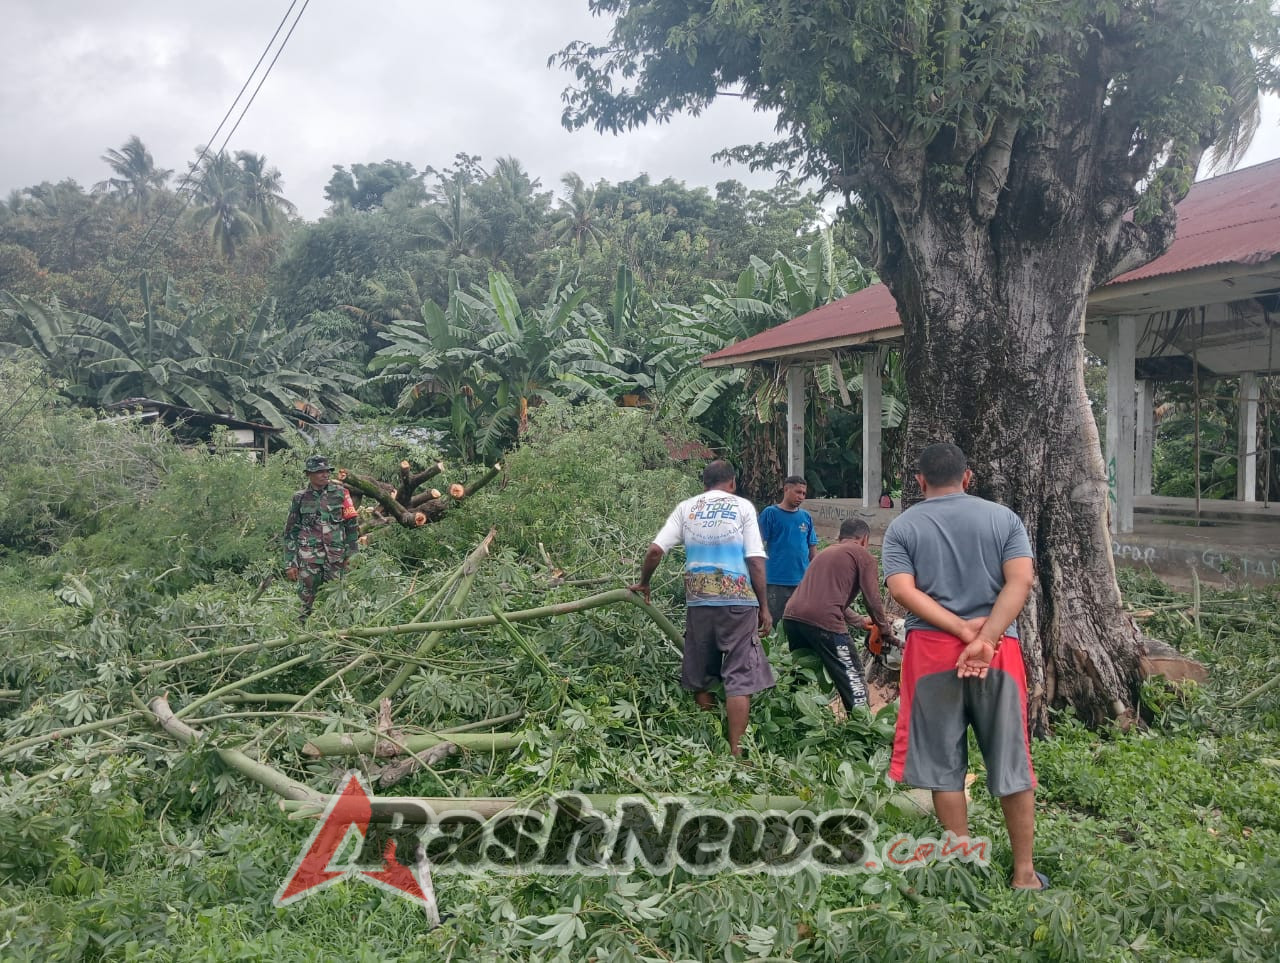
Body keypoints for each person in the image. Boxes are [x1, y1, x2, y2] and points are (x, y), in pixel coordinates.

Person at [880, 443, 1045, 890]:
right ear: (967, 477)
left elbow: (901, 590)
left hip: (932, 652)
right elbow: (1021, 580)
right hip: (999, 653)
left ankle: (963, 862)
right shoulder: (1004, 519)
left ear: (919, 482)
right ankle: (1024, 874)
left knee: (942, 766)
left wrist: (958, 630)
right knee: (1012, 760)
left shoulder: (903, 527)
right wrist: (985, 636)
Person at [629, 460, 774, 757]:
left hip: (699, 602)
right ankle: (736, 751)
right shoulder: (743, 507)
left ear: (704, 483)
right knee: (739, 677)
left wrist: (644, 582)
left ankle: (709, 742)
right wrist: (764, 606)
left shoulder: (687, 508)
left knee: (702, 674)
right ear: (732, 483)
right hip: (737, 602)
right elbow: (756, 561)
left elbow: (656, 550)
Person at [782, 518, 895, 711]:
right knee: (852, 674)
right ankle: (862, 730)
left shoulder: (824, 554)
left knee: (800, 671)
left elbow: (824, 598)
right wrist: (884, 630)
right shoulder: (862, 555)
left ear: (840, 537)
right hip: (823, 621)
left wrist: (859, 621)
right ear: (864, 540)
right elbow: (872, 599)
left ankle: (792, 716)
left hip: (792, 617)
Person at [283, 455, 360, 623]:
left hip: (336, 558)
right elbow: (290, 532)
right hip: (310, 559)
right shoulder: (300, 498)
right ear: (309, 474)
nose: (325, 474)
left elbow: (352, 526)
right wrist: (290, 563)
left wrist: (352, 554)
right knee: (305, 600)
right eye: (319, 472)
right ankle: (299, 634)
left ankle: (340, 633)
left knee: (338, 598)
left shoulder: (341, 494)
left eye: (327, 471)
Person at [758, 475, 818, 640]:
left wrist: (817, 575)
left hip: (801, 582)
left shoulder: (805, 517)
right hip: (775, 581)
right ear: (786, 489)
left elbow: (812, 548)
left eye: (804, 494)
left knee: (799, 626)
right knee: (774, 627)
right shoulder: (770, 513)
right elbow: (756, 545)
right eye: (798, 492)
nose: (801, 497)